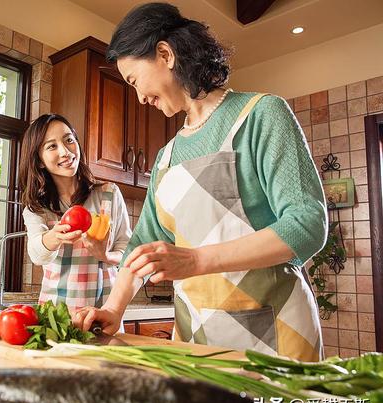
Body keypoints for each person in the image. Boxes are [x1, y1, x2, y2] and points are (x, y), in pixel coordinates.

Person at [73, 2, 327, 361]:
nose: (139, 97)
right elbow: (141, 246)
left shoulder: (261, 115)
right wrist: (114, 310)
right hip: (195, 340)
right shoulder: (166, 156)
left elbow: (306, 225)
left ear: (165, 54)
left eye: (134, 80)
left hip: (277, 335)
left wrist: (194, 261)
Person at [19, 114, 132, 313]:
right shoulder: (36, 207)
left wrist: (105, 255)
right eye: (51, 146)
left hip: (104, 311)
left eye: (69, 140)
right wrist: (54, 237)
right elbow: (37, 255)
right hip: (57, 316)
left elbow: (127, 250)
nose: (65, 152)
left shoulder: (108, 194)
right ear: (39, 161)